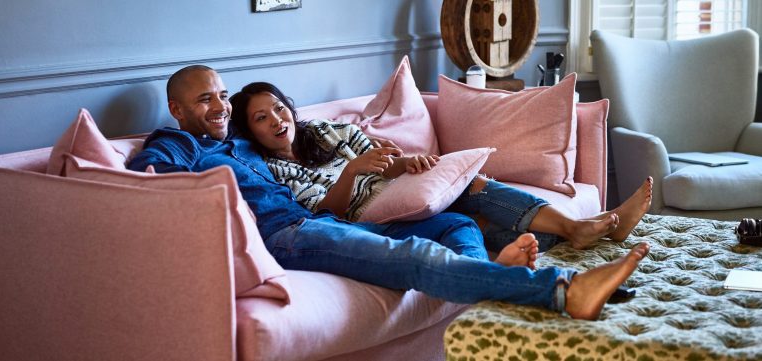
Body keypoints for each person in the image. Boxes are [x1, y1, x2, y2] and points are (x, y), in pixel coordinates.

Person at [127, 64, 650, 321]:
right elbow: (148, 181)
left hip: (323, 226)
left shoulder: (240, 141)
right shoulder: (178, 141)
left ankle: (496, 279)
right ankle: (561, 290)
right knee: (414, 254)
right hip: (284, 236)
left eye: (221, 95)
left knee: (453, 224)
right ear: (178, 110)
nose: (218, 106)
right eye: (204, 100)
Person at [229, 81, 653, 254]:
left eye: (278, 109)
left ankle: (585, 229)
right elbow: (328, 213)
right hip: (361, 213)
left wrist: (403, 163)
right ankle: (588, 228)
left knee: (476, 198)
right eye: (261, 118)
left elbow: (384, 162)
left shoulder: (320, 131)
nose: (276, 120)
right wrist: (353, 172)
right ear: (250, 130)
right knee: (468, 203)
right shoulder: (269, 170)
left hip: (390, 189)